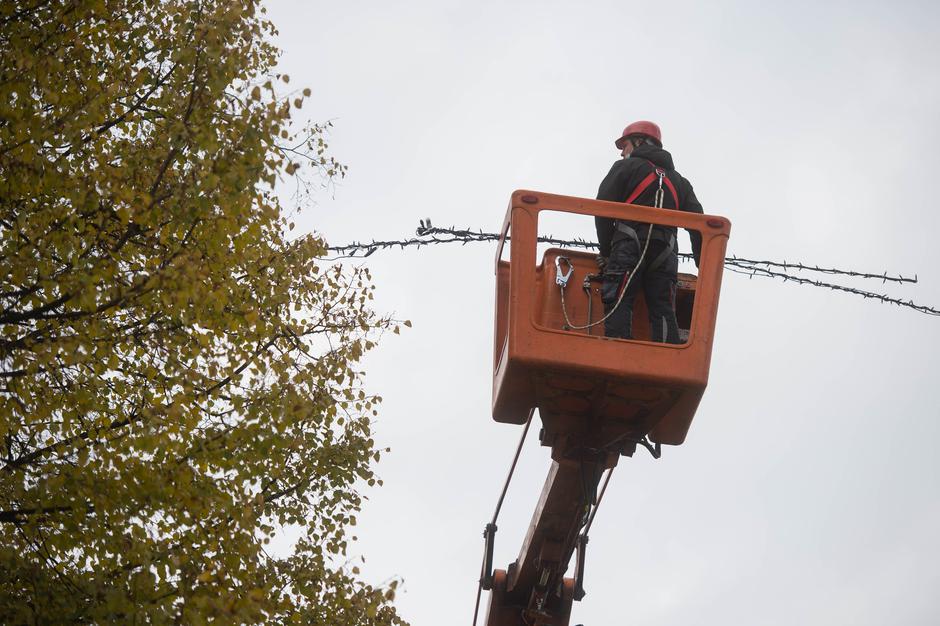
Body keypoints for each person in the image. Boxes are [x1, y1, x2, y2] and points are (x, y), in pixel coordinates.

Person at [595, 120, 704, 343]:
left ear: (639, 142)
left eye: (625, 145)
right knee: (663, 308)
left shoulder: (624, 168)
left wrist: (606, 251)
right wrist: (702, 263)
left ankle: (618, 351)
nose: (622, 152)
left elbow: (602, 210)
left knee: (619, 299)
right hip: (665, 253)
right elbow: (699, 224)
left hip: (628, 248)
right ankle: (665, 356)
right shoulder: (680, 182)